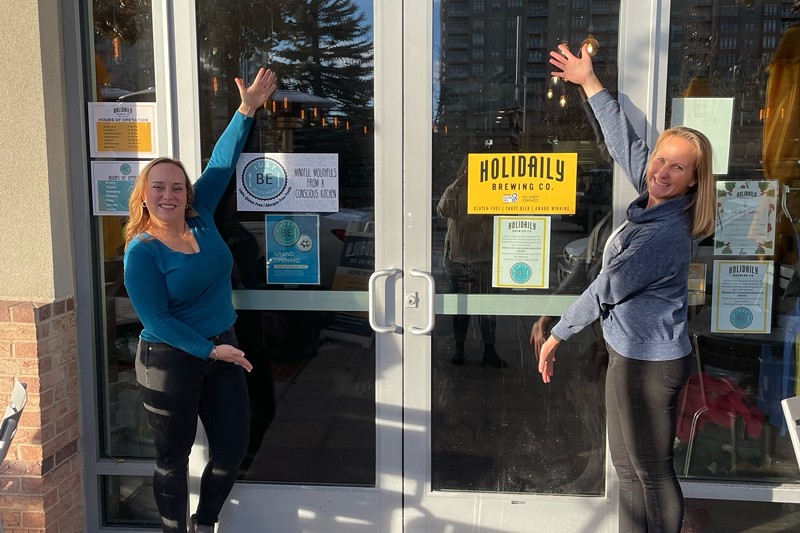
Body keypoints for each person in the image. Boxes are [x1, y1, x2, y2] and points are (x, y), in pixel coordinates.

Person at [537, 43, 715, 533]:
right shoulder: (655, 198)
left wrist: (558, 333)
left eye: (677, 167)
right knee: (627, 470)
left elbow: (606, 288)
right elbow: (623, 143)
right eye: (661, 160)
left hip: (651, 365)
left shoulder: (665, 232)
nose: (661, 171)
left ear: (695, 180)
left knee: (652, 472)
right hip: (629, 354)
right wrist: (588, 82)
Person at [122, 67, 277, 533]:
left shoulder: (201, 215)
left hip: (221, 348)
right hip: (170, 358)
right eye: (159, 187)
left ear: (187, 193)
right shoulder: (142, 251)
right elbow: (157, 319)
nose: (169, 194)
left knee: (232, 447)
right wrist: (211, 350)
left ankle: (203, 521)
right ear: (145, 196)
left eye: (177, 186)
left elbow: (222, 163)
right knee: (173, 458)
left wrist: (246, 109)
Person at [436, 159, 508, 368]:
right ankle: (459, 348)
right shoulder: (457, 189)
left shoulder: (494, 188)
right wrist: (459, 182)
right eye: (470, 168)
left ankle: (489, 349)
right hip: (458, 259)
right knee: (461, 307)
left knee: (487, 307)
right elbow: (442, 210)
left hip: (486, 258)